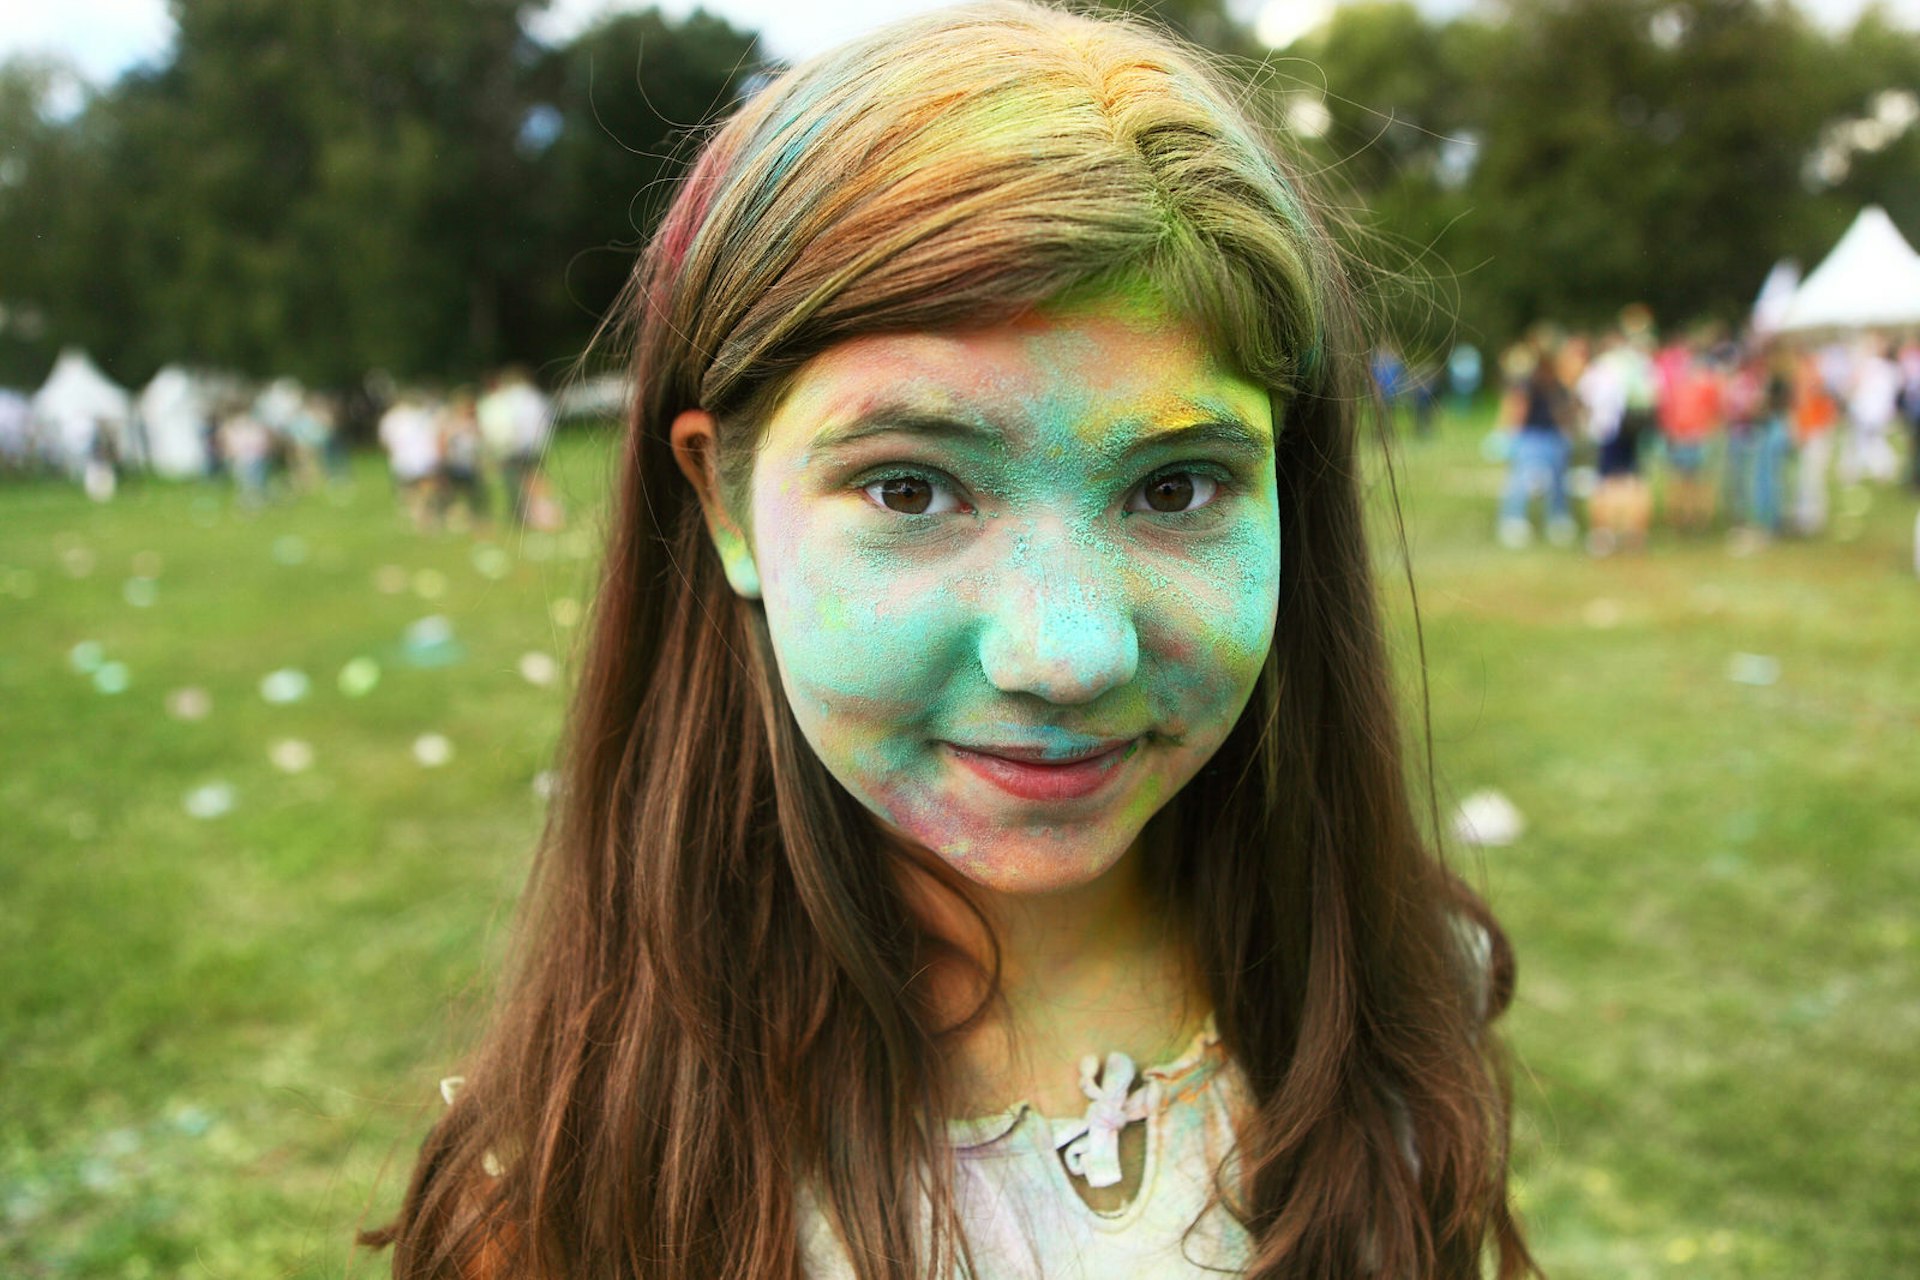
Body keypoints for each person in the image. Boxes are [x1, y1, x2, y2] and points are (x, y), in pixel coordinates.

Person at [368, 5, 1533, 1278]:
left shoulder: (1389, 1011)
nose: (1067, 652)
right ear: (722, 503)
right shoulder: (577, 1186)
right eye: (912, 488)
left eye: (1177, 486)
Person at [1496, 338, 1577, 548]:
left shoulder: (1556, 383)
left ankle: (1556, 519)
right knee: (1523, 478)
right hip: (1532, 435)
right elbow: (1519, 407)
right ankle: (1515, 520)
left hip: (1551, 435)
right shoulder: (1530, 382)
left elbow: (1563, 409)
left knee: (1555, 479)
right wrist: (1510, 433)